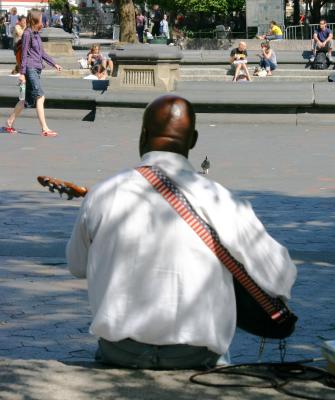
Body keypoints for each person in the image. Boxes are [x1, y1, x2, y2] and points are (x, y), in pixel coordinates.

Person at [67, 94, 297, 369]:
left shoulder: (104, 193)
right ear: (194, 140)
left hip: (120, 351)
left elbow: (77, 265)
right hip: (195, 354)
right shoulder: (220, 200)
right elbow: (279, 275)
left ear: (143, 134)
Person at [2, 8, 62, 137]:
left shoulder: (36, 33)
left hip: (37, 68)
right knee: (40, 96)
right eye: (41, 19)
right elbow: (23, 55)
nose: (43, 21)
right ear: (36, 20)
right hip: (30, 69)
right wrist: (22, 73)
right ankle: (45, 129)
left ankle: (9, 123)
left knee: (27, 101)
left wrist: (54, 63)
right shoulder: (27, 34)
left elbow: (41, 53)